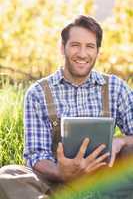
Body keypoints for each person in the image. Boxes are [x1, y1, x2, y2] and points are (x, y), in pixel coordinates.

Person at [0, 15, 133, 199]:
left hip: (106, 181)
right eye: (75, 45)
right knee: (7, 176)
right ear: (62, 48)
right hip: (57, 184)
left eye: (90, 46)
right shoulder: (38, 93)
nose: (82, 53)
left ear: (98, 51)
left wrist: (121, 142)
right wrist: (60, 172)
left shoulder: (116, 88)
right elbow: (36, 155)